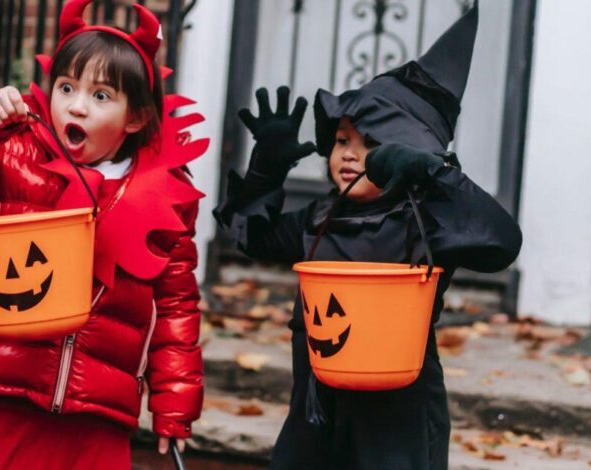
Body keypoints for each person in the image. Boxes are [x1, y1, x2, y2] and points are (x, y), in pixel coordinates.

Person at [215, 3, 522, 468]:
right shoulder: (318, 219)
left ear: (407, 151)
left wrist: (434, 175)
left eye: (371, 143)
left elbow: (501, 242)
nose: (350, 154)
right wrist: (266, 170)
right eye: (342, 140)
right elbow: (252, 239)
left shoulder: (427, 223)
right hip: (315, 418)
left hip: (394, 428)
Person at [0, 1, 207, 467]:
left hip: (97, 412)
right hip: (3, 391)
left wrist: (175, 402)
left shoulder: (166, 196)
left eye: (101, 96)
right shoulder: (14, 151)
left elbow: (177, 304)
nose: (77, 105)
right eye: (67, 87)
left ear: (137, 118)